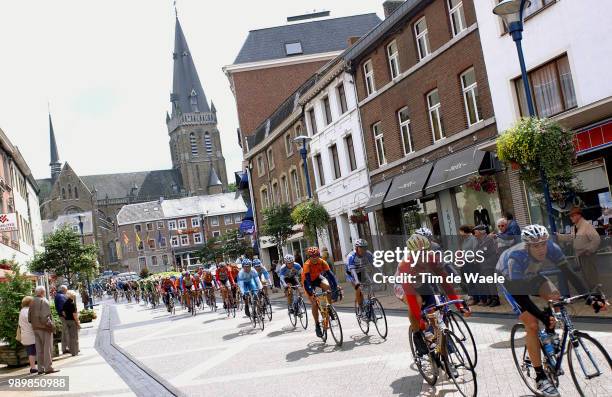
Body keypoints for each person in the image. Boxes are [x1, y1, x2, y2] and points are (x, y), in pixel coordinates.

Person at [496, 224, 604, 397]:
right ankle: (540, 377)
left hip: (532, 276)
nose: (541, 249)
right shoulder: (515, 258)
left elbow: (570, 273)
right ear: (527, 245)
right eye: (536, 246)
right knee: (532, 324)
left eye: (543, 244)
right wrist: (541, 316)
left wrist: (590, 297)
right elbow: (521, 297)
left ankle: (550, 333)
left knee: (555, 296)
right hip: (510, 282)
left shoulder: (551, 248)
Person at [395, 234, 469, 356]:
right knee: (417, 301)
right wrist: (419, 322)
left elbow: (446, 284)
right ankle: (417, 335)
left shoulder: (432, 258)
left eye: (426, 252)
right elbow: (412, 298)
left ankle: (445, 360)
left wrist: (459, 305)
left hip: (422, 283)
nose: (423, 256)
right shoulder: (405, 265)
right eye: (419, 254)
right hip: (404, 286)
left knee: (434, 316)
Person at [557, 206, 601, 290]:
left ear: (578, 215)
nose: (570, 218)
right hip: (580, 256)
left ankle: (598, 295)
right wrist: (558, 237)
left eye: (572, 215)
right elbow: (571, 237)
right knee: (586, 277)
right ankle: (594, 294)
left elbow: (596, 239)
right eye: (570, 216)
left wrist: (588, 250)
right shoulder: (575, 227)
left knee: (591, 277)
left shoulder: (586, 225)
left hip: (587, 256)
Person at [302, 247, 339, 338]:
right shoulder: (307, 264)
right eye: (312, 256)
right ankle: (317, 324)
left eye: (316, 255)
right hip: (308, 282)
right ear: (309, 256)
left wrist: (335, 286)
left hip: (318, 278)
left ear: (319, 255)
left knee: (328, 287)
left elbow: (331, 275)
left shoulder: (322, 262)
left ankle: (329, 307)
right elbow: (307, 280)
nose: (314, 258)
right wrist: (312, 291)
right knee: (314, 303)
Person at [28, 286, 59, 374]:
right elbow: (46, 317)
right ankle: (48, 368)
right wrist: (51, 326)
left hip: (35, 328)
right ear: (42, 292)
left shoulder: (32, 301)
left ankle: (40, 369)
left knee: (39, 349)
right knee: (47, 348)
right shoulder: (44, 301)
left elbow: (29, 318)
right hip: (44, 328)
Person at [345, 239, 373, 317]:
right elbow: (353, 271)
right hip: (351, 273)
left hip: (361, 271)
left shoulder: (368, 254)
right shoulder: (351, 256)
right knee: (359, 288)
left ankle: (369, 303)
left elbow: (375, 265)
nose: (363, 250)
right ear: (357, 248)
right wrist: (357, 281)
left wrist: (382, 274)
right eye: (361, 248)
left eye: (365, 248)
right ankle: (360, 308)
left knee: (370, 283)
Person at [474, 224, 500, 307]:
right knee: (486, 283)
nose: (475, 234)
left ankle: (496, 299)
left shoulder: (488, 239)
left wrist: (477, 253)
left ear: (481, 232)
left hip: (489, 263)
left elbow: (483, 251)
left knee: (491, 282)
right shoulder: (480, 240)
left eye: (476, 232)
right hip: (483, 264)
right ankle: (490, 298)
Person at [18, 296, 37, 374]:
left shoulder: (22, 311)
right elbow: (31, 322)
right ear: (29, 303)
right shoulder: (28, 311)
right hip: (31, 334)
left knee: (30, 351)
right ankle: (33, 367)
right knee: (33, 351)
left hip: (26, 334)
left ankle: (33, 367)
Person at [62, 290, 80, 356]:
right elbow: (74, 314)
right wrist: (77, 323)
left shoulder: (65, 303)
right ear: (72, 296)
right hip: (72, 321)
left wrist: (67, 317)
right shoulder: (72, 304)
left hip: (67, 321)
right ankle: (75, 352)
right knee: (74, 337)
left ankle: (72, 351)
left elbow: (63, 313)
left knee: (70, 336)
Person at [54, 285, 70, 354]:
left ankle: (64, 348)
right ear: (63, 289)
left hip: (62, 316)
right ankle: (69, 347)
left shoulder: (58, 295)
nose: (67, 291)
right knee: (67, 332)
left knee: (64, 332)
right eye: (66, 290)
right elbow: (62, 308)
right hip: (64, 316)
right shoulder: (61, 296)